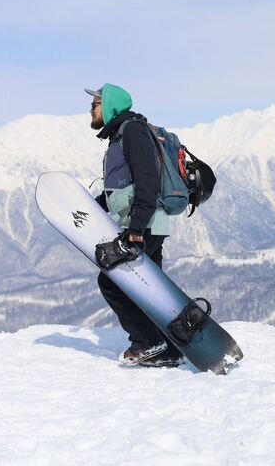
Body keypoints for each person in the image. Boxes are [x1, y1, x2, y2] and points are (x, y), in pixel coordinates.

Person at [86, 83, 183, 367]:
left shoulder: (133, 132)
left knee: (112, 281)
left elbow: (148, 181)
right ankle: (170, 344)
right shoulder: (120, 136)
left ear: (109, 106)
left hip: (144, 225)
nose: (89, 110)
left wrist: (137, 228)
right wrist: (94, 205)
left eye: (94, 104)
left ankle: (149, 342)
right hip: (143, 224)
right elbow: (122, 186)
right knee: (151, 290)